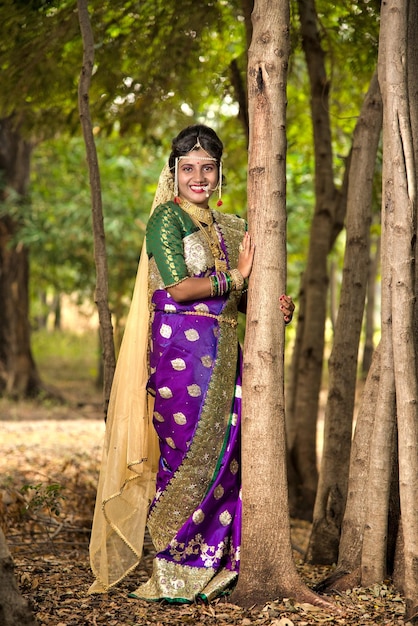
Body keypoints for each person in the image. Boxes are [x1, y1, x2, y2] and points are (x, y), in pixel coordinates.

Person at [88, 124, 294, 603]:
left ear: (219, 174)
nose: (198, 177)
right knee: (182, 455)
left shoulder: (234, 226)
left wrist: (276, 305)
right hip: (179, 351)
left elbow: (242, 296)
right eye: (188, 169)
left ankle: (219, 564)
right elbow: (179, 288)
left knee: (232, 449)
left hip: (224, 350)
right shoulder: (166, 219)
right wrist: (238, 277)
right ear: (174, 173)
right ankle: (174, 571)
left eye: (207, 167)